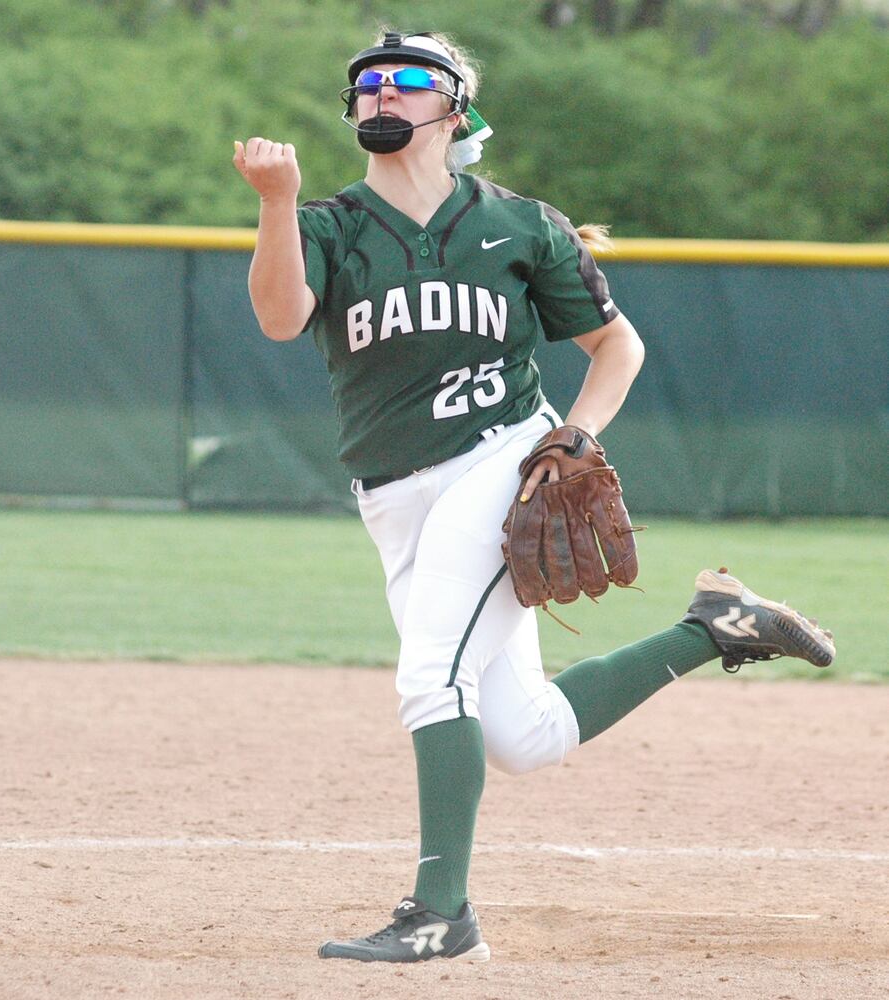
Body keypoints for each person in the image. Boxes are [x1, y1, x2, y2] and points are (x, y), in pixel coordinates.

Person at [232, 29, 835, 964]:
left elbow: (617, 347)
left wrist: (577, 436)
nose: (382, 96)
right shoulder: (329, 225)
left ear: (456, 108)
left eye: (408, 82)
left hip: (503, 462)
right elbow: (279, 318)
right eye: (367, 85)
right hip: (394, 495)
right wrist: (276, 204)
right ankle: (716, 626)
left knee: (433, 676)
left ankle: (442, 915)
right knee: (524, 734)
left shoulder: (520, 224)